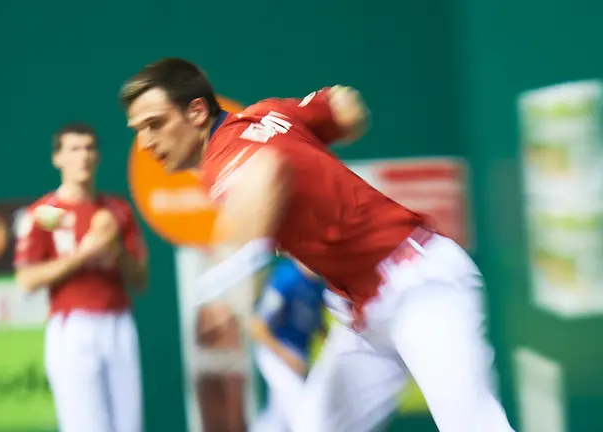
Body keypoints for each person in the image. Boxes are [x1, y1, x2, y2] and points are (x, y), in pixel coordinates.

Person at [120, 58, 515, 432]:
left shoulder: (226, 160)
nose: (146, 141)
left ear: (196, 112)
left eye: (155, 124)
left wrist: (230, 278)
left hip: (419, 288)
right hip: (364, 313)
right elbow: (345, 109)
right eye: (138, 129)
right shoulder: (267, 114)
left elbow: (266, 174)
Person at [13, 123, 148, 432]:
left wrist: (115, 249)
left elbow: (140, 279)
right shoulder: (42, 214)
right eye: (74, 149)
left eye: (89, 148)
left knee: (129, 426)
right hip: (72, 328)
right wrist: (83, 255)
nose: (83, 157)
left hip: (118, 324)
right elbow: (27, 280)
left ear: (98, 156)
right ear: (57, 159)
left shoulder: (118, 211)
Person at [250, 257, 326, 432]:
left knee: (276, 420)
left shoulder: (318, 285)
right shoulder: (287, 277)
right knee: (304, 411)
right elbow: (258, 326)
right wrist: (286, 356)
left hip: (299, 356)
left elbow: (320, 328)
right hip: (275, 353)